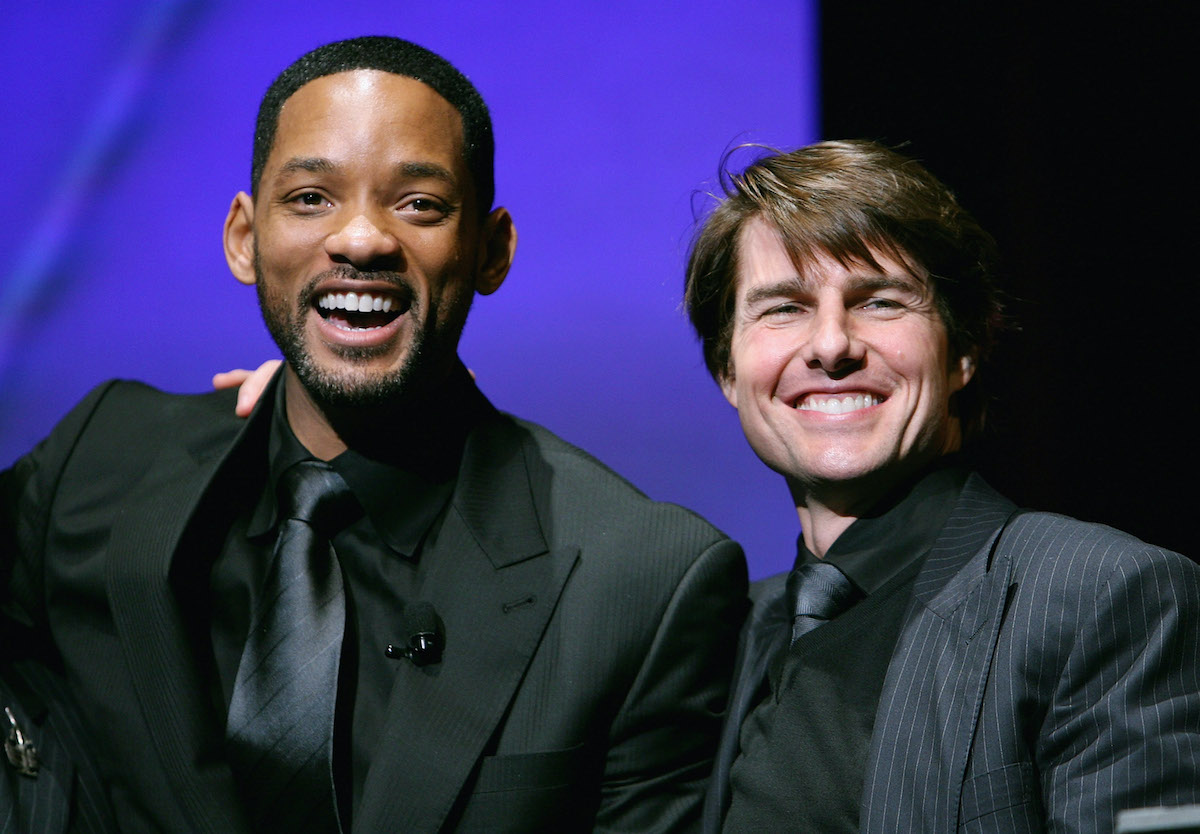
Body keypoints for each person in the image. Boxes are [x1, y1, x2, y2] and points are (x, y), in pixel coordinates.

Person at [0, 36, 746, 832]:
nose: (361, 240)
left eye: (419, 203)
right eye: (311, 197)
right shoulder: (101, 460)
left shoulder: (637, 582)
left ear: (492, 251)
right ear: (243, 239)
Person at [684, 140, 1200, 832]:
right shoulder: (724, 634)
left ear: (962, 351)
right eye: (784, 308)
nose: (831, 345)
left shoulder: (1104, 596)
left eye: (881, 302)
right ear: (728, 371)